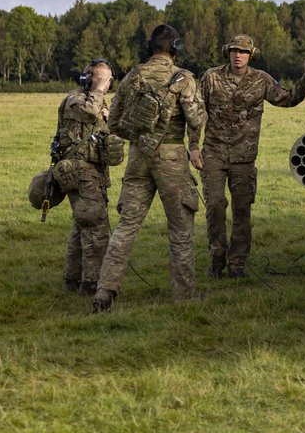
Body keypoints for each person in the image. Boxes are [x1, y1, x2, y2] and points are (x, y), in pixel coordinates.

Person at [93, 24, 206, 311]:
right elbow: (196, 120)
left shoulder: (133, 76)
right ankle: (184, 296)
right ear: (174, 48)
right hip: (172, 158)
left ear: (150, 47)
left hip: (138, 157)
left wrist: (140, 135)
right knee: (180, 230)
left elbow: (115, 121)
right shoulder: (183, 78)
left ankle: (104, 291)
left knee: (126, 227)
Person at [194, 34, 305, 279]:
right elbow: (196, 112)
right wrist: (193, 146)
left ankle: (237, 265)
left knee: (242, 211)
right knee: (215, 207)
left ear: (251, 55)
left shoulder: (262, 80)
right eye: (234, 51)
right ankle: (216, 261)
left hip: (244, 157)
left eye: (243, 52)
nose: (238, 55)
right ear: (227, 52)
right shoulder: (212, 77)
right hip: (214, 154)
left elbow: (288, 99)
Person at [53, 58, 121, 296]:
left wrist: (108, 112)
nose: (104, 84)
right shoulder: (75, 99)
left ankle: (72, 280)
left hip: (95, 173)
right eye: (100, 78)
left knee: (81, 227)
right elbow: (89, 113)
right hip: (79, 173)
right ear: (86, 78)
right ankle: (91, 283)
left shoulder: (100, 103)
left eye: (107, 80)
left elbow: (116, 128)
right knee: (95, 228)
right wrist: (99, 92)